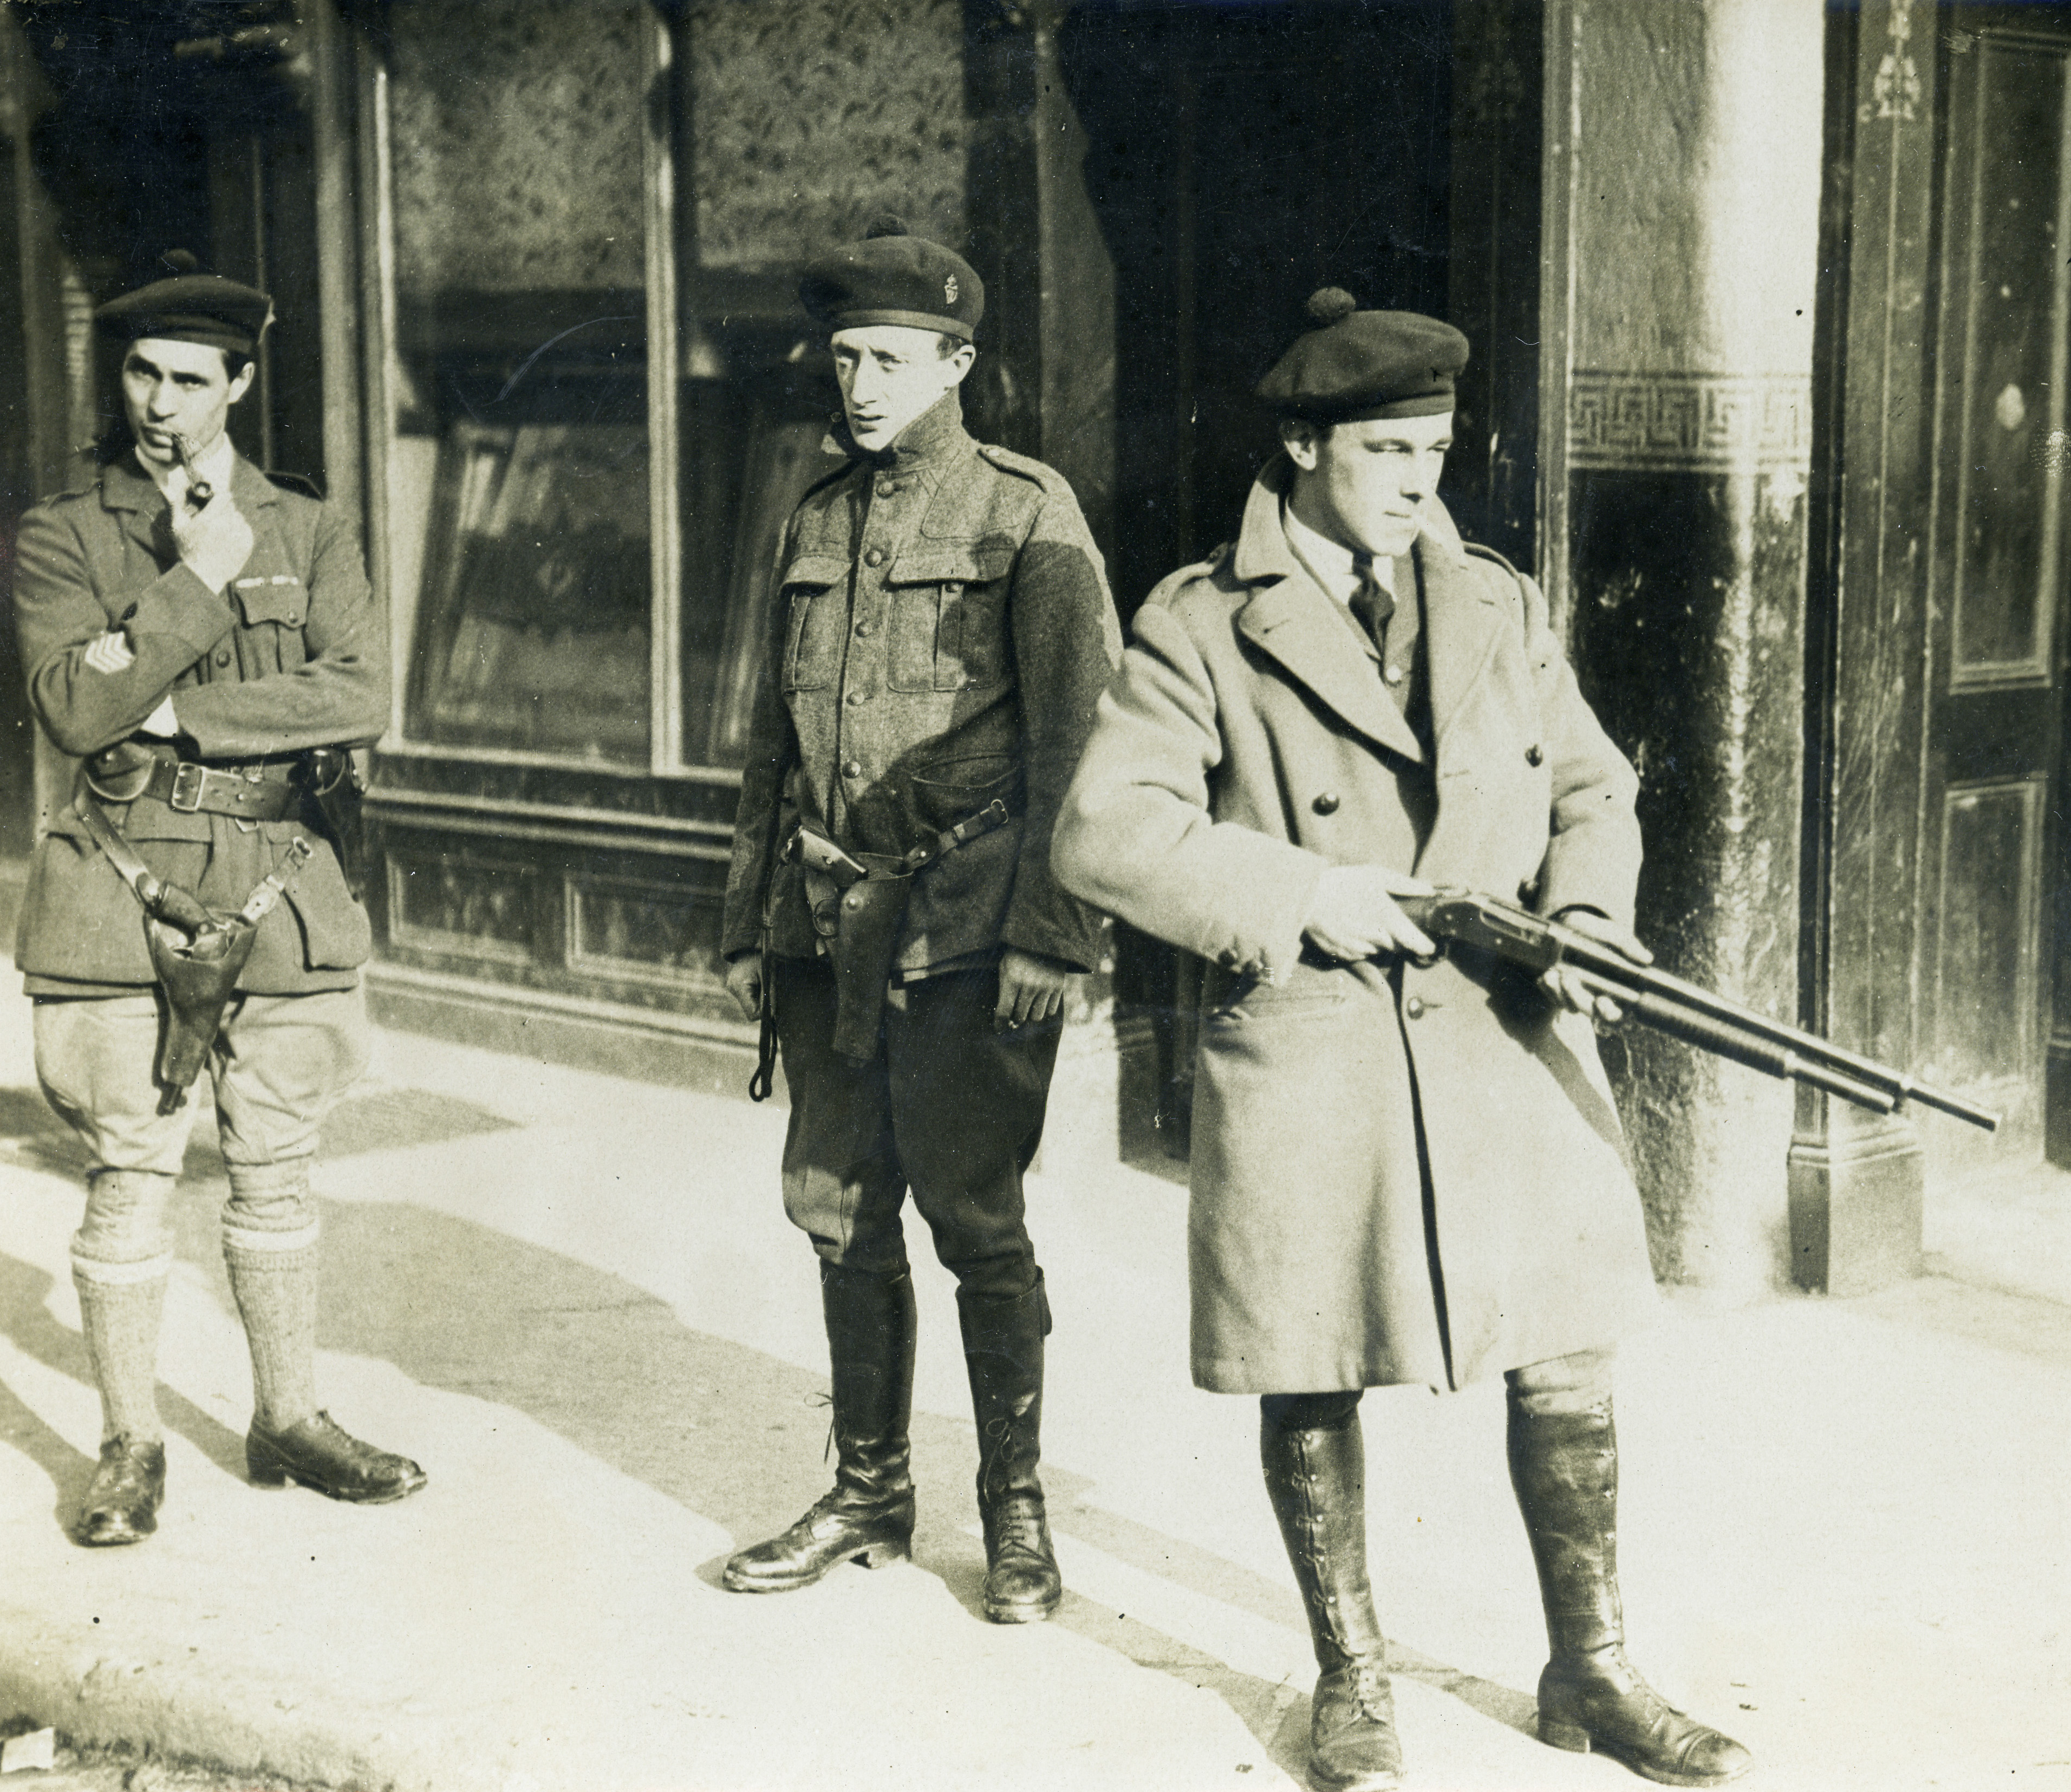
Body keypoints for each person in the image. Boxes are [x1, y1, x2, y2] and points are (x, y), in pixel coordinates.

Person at [1051, 289, 1752, 1789]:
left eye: (1434, 450)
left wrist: (1588, 918)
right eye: (1385, 451)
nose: (1418, 481)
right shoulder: (1198, 622)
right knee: (1312, 1351)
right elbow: (1106, 830)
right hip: (1317, 1032)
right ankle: (1351, 1673)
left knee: (1565, 1343)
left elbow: (1592, 786)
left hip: (1502, 1025)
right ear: (1305, 446)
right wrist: (1306, 891)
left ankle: (1592, 1663)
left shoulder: (1494, 600)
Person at [717, 220, 1118, 1623]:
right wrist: (750, 920)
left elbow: (1082, 743)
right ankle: (868, 1488)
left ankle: (1015, 1508)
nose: (861, 384)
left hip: (967, 930)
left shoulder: (1025, 513)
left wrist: (1051, 935)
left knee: (975, 1216)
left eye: (889, 359)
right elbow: (771, 740)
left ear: (957, 362)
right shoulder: (816, 516)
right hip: (826, 925)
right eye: (844, 358)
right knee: (837, 1209)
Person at [12, 253, 422, 1548]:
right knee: (130, 1170)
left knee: (278, 1167)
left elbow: (360, 692)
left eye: (191, 379)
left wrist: (171, 708)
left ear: (239, 384)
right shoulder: (65, 531)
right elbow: (73, 705)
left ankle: (287, 1415)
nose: (161, 403)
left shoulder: (309, 526)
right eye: (142, 372)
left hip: (284, 882)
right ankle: (130, 1442)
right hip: (119, 886)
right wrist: (198, 577)